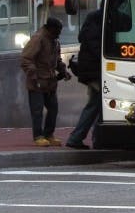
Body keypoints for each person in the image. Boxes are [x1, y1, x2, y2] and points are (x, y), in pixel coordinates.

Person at [20, 17, 71, 147]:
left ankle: (49, 134)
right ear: (50, 28)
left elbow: (57, 60)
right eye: (58, 30)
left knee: (53, 108)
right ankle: (38, 136)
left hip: (50, 82)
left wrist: (63, 70)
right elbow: (26, 58)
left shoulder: (54, 41)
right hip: (37, 81)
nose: (59, 33)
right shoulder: (38, 39)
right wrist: (34, 76)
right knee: (37, 110)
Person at [66, 8, 102, 149]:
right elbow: (98, 51)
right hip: (95, 73)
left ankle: (81, 137)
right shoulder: (95, 32)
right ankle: (79, 137)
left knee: (94, 105)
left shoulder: (88, 30)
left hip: (90, 73)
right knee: (95, 105)